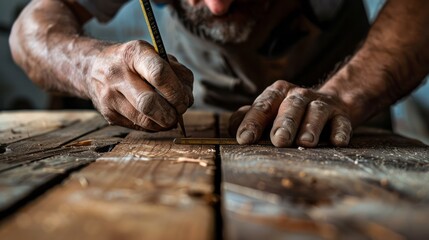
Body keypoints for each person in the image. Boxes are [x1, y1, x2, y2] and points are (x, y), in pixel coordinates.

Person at [9, 0, 429, 147]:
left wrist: (348, 93)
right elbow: (31, 29)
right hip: (199, 117)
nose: (216, 6)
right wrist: (89, 66)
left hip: (345, 116)